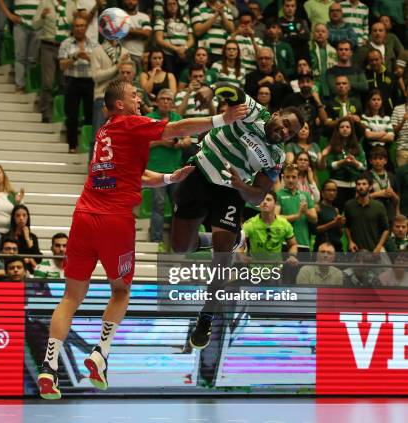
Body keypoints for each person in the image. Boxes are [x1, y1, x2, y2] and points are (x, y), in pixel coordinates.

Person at [37, 79, 248, 400]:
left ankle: (48, 366)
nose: (139, 98)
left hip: (83, 216)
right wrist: (222, 119)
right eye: (134, 95)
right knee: (120, 291)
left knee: (70, 297)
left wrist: (166, 179)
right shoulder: (130, 123)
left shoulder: (105, 132)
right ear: (119, 103)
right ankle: (100, 353)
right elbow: (176, 128)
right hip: (114, 220)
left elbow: (131, 175)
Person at [170, 87, 303, 349]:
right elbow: (231, 90)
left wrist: (242, 186)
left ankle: (205, 318)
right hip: (199, 175)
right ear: (276, 114)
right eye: (285, 124)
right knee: (180, 247)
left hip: (231, 191)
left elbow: (258, 196)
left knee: (223, 257)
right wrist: (209, 90)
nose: (285, 132)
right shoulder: (253, 110)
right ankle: (214, 239)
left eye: (291, 133)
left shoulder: (276, 157)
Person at [146, 88, 189, 247]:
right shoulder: (149, 119)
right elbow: (142, 144)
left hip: (175, 169)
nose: (165, 101)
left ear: (172, 103)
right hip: (155, 170)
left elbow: (188, 140)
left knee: (178, 206)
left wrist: (181, 143)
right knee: (158, 204)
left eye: (169, 99)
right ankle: (157, 241)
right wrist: (161, 142)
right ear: (156, 102)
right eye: (162, 98)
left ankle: (176, 242)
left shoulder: (177, 118)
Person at [57, 17, 97, 153]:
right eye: (77, 26)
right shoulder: (66, 43)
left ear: (86, 27)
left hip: (90, 81)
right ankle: (72, 146)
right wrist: (74, 57)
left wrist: (88, 58)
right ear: (73, 28)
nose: (80, 28)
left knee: (90, 115)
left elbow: (100, 64)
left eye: (82, 25)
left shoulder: (94, 44)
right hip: (72, 81)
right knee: (71, 115)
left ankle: (88, 145)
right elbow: (62, 66)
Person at [320, 117, 367, 211]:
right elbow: (329, 165)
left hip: (354, 187)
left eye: (347, 127)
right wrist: (342, 162)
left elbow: (364, 167)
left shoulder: (358, 146)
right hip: (337, 186)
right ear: (338, 130)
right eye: (342, 127)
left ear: (351, 130)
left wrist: (355, 162)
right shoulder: (331, 145)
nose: (345, 129)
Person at [276, 164, 317, 252]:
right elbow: (275, 218)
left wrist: (305, 211)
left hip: (304, 243)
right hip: (284, 242)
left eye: (294, 177)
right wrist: (297, 215)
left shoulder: (306, 195)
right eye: (288, 177)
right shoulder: (278, 194)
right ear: (283, 178)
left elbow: (314, 219)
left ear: (298, 178)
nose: (291, 180)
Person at [344, 174, 389, 253]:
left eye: (364, 184)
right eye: (358, 184)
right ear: (356, 187)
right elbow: (347, 226)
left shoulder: (379, 206)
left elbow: (386, 229)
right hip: (355, 251)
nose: (361, 187)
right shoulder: (349, 205)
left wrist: (379, 247)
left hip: (374, 250)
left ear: (370, 187)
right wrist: (350, 242)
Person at [153, 0, 193, 77]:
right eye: (169, 4)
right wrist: (175, 49)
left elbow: (191, 39)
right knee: (170, 77)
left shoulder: (185, 20)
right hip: (168, 55)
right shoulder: (161, 20)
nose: (172, 6)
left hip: (184, 54)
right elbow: (159, 39)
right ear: (165, 7)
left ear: (178, 6)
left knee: (184, 77)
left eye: (174, 4)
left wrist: (184, 48)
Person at [5, 204, 42, 273]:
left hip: (29, 270)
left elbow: (38, 259)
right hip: (12, 270)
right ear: (13, 218)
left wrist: (27, 239)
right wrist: (22, 260)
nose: (21, 218)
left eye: (24, 215)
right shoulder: (7, 236)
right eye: (18, 215)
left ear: (28, 218)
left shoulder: (33, 237)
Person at [315, 180, 345, 252]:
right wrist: (333, 223)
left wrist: (340, 224)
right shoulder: (317, 207)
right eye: (328, 190)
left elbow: (340, 234)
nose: (331, 193)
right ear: (322, 193)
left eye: (334, 190)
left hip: (336, 246)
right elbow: (315, 230)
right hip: (323, 247)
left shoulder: (336, 210)